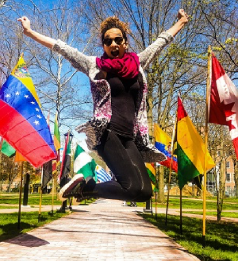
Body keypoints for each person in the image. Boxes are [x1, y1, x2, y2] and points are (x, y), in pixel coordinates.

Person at [18, 10, 188, 203]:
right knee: (131, 188)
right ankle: (87, 188)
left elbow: (161, 41)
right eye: (108, 41)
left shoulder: (137, 62)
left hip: (129, 137)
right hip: (107, 133)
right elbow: (62, 48)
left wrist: (181, 22)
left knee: (145, 192)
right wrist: (31, 33)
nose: (113, 44)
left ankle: (84, 190)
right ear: (104, 46)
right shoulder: (95, 65)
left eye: (118, 39)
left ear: (125, 42)